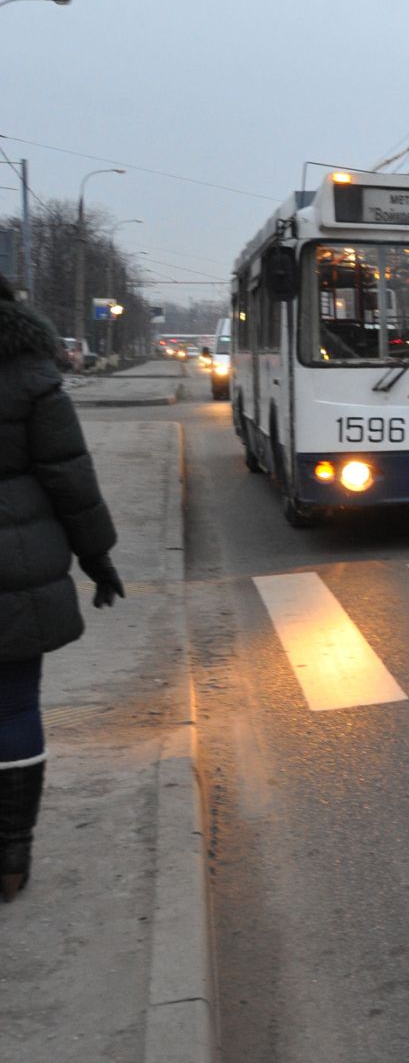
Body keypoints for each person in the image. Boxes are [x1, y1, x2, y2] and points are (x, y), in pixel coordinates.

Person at [0, 274, 124, 902]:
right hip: (17, 570)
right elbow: (68, 478)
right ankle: (12, 854)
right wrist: (97, 559)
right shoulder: (29, 375)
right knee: (15, 706)